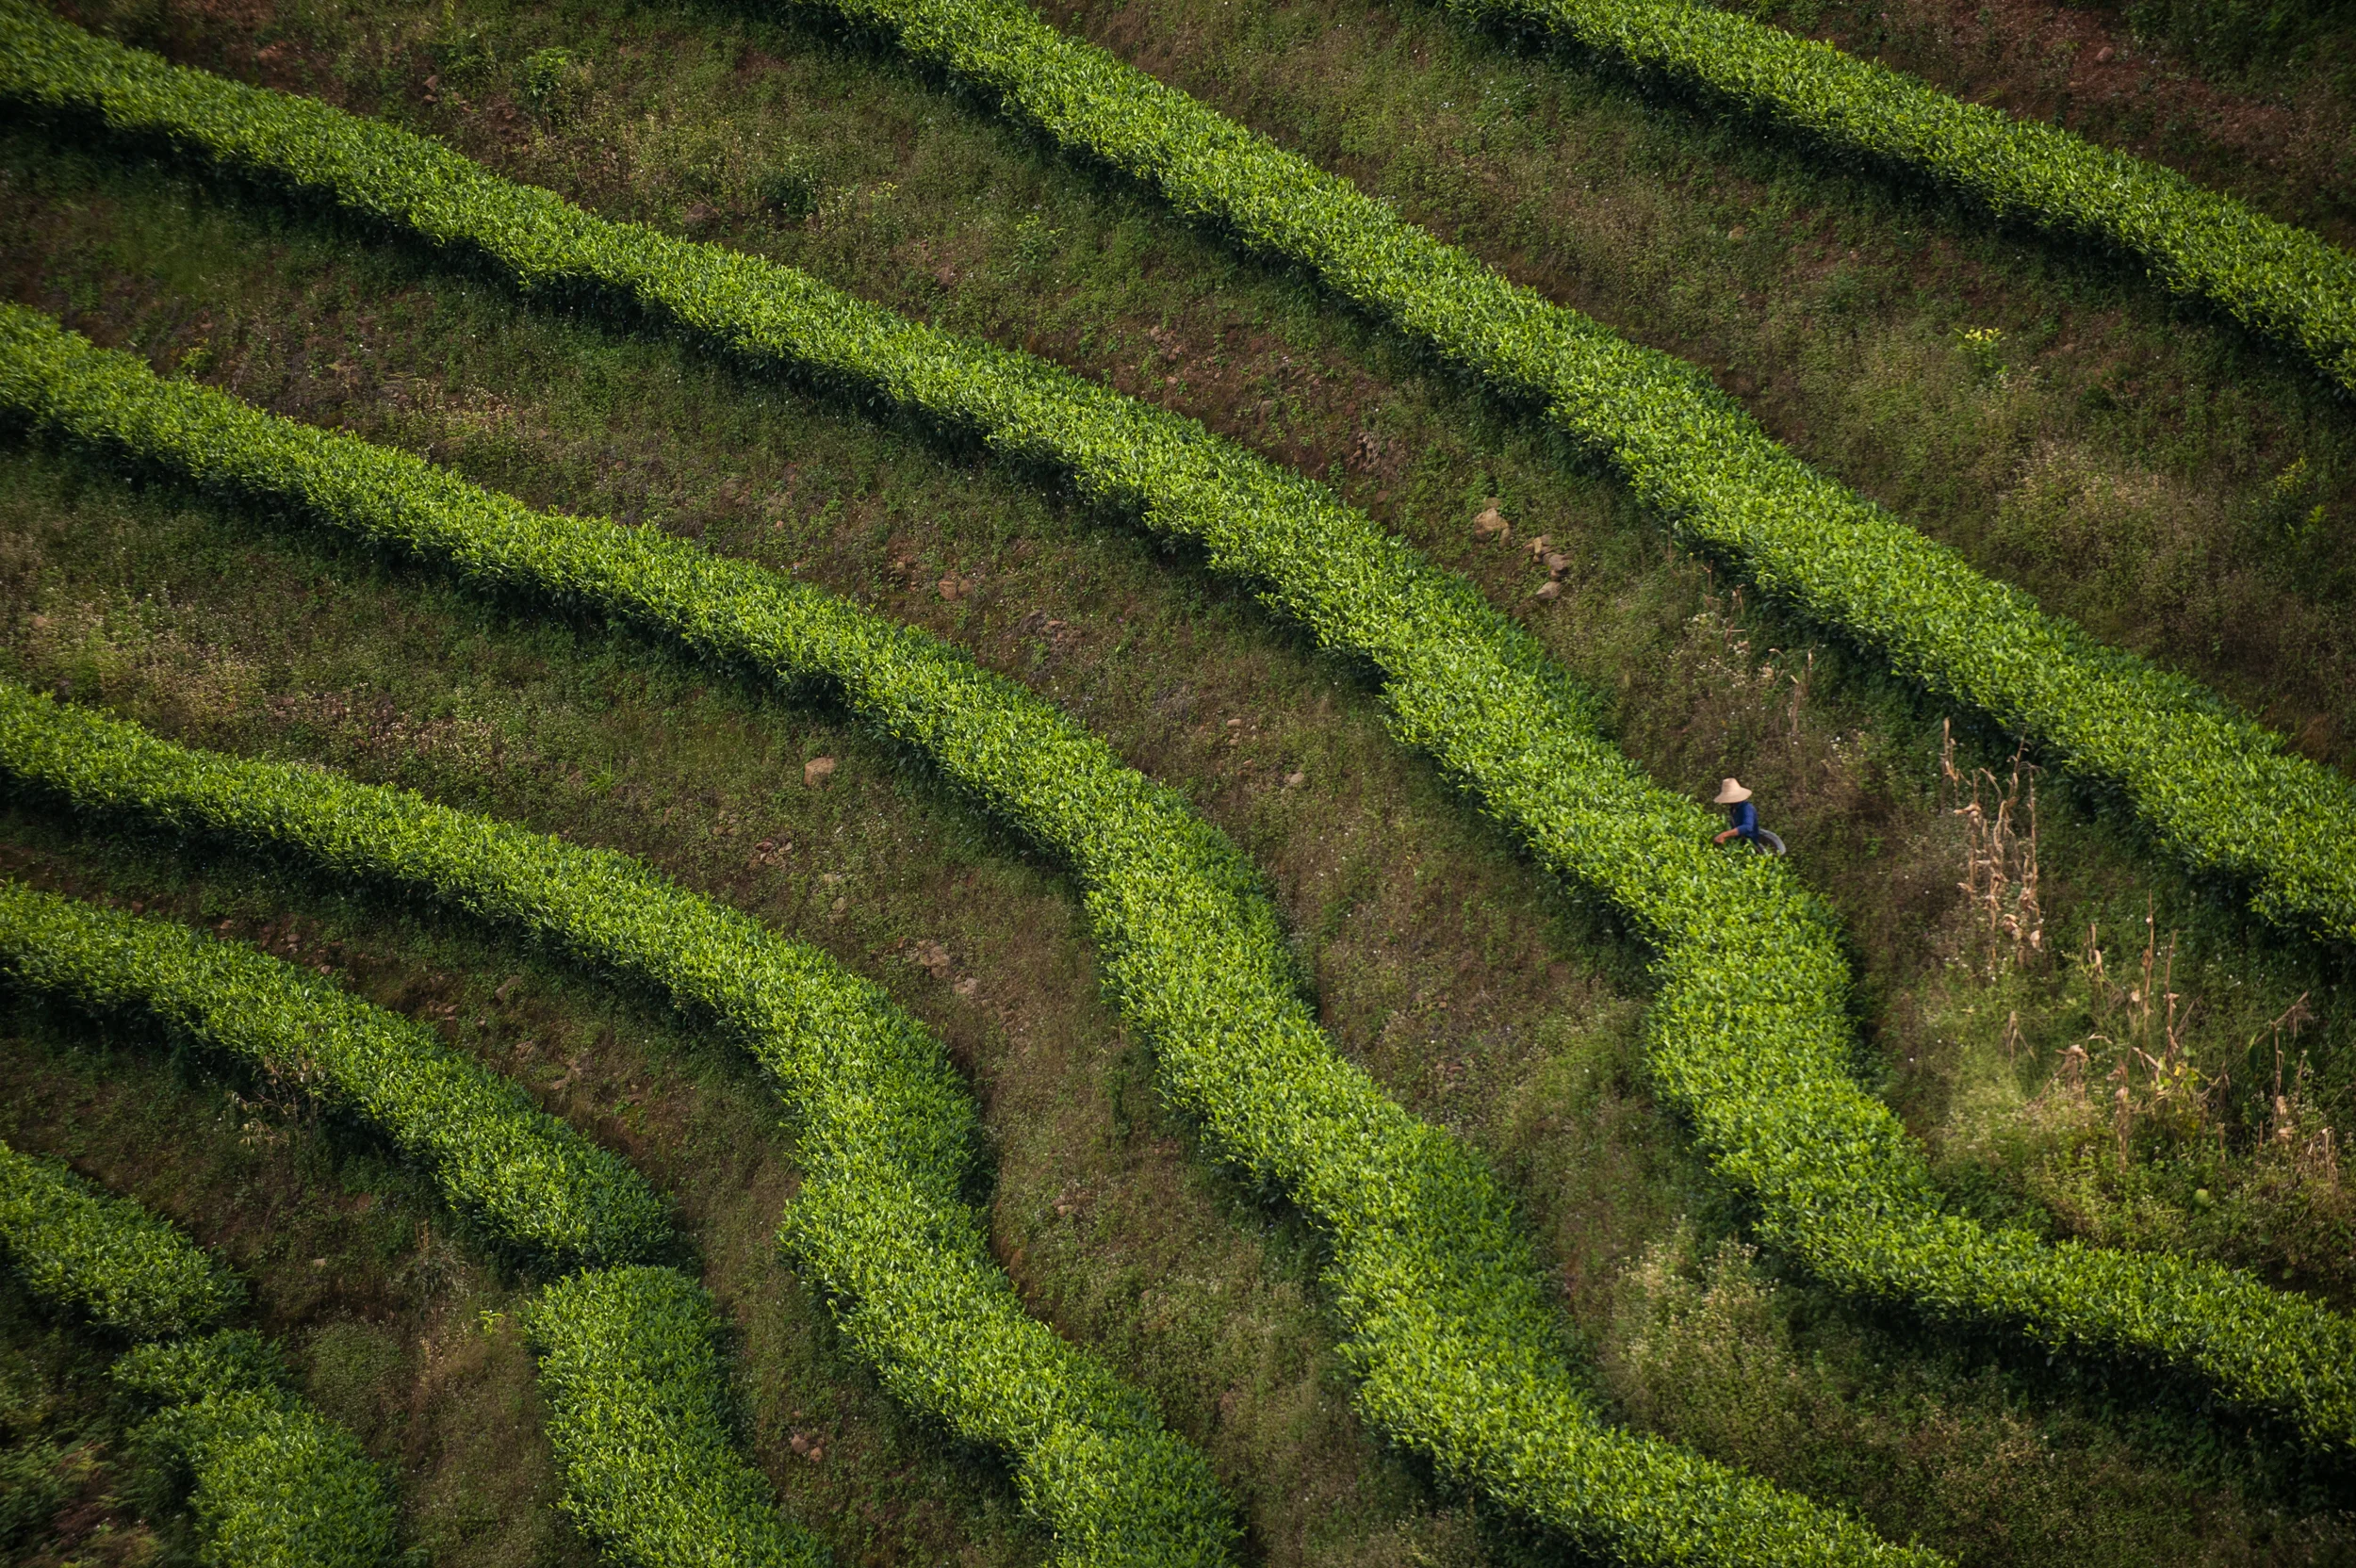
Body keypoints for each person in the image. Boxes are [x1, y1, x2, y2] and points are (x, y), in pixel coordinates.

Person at [1710, 777, 1785, 854]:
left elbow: (1747, 827)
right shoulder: (1733, 809)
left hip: (1751, 847)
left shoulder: (1747, 808)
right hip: (1739, 845)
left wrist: (1725, 834)